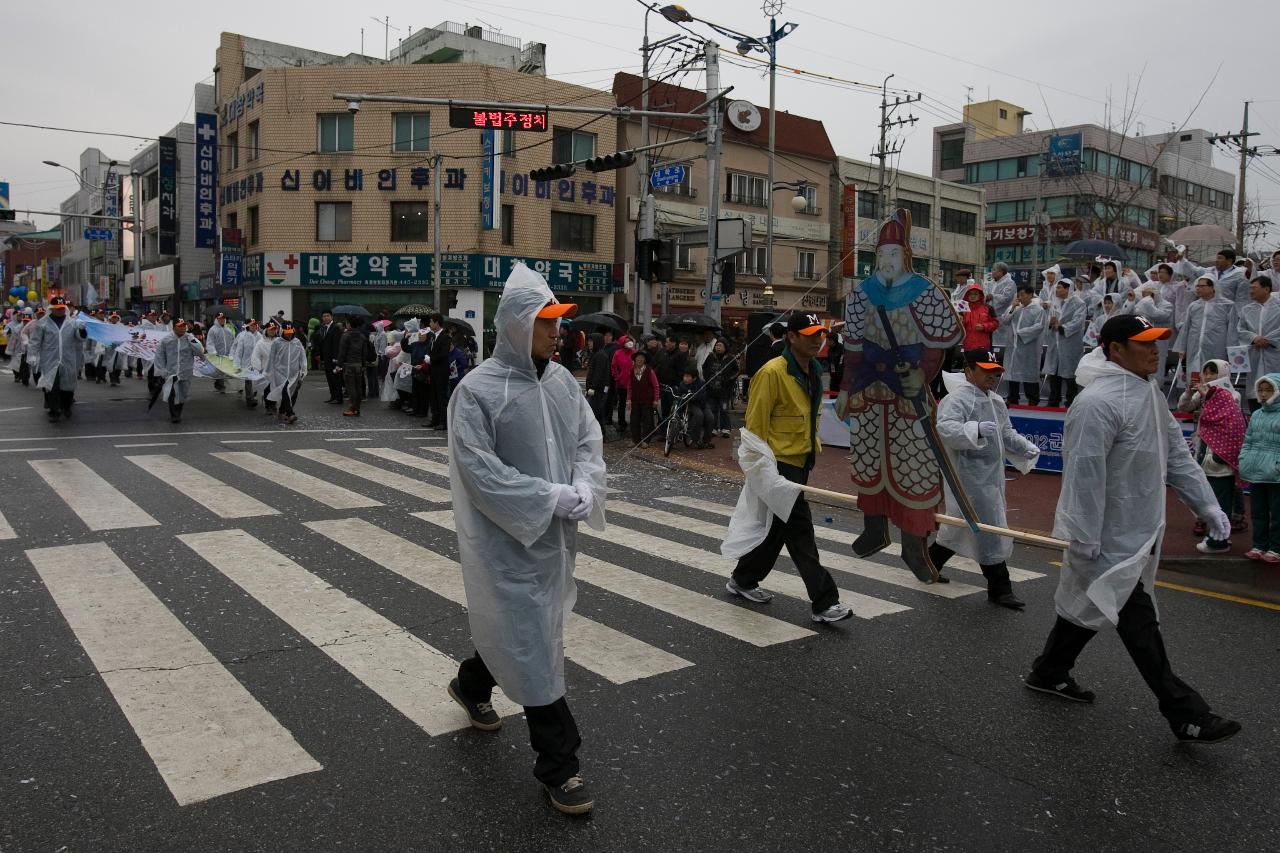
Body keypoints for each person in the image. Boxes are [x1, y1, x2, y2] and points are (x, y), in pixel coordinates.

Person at [1025, 313, 1240, 744]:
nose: (1155, 349)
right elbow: (1083, 476)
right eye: (1144, 342)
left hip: (1140, 530)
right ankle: (1185, 712)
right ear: (1115, 348)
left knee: (1090, 605)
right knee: (1137, 621)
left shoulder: (1148, 394)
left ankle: (1048, 671)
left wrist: (1209, 506)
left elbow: (1177, 456)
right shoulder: (1096, 403)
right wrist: (1083, 534)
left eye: (1157, 341)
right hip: (1107, 537)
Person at [445, 263, 605, 816]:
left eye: (557, 323)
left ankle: (472, 683)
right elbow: (478, 470)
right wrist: (546, 497)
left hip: (555, 539)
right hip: (506, 541)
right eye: (544, 323)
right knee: (533, 639)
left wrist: (585, 482)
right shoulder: (477, 392)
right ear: (516, 324)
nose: (555, 333)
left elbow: (588, 439)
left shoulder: (561, 383)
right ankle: (560, 765)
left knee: (525, 628)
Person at [836, 208, 963, 581]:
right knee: (867, 462)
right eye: (881, 254)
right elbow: (854, 348)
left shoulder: (924, 291)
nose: (887, 261)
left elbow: (937, 345)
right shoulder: (861, 294)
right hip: (868, 391)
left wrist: (923, 373)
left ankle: (913, 546)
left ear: (905, 255)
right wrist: (845, 389)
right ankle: (874, 529)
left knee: (916, 469)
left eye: (893, 253)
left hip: (908, 392)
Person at [724, 311, 853, 623]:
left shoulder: (814, 369)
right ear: (791, 337)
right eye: (809, 335)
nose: (817, 340)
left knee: (777, 530)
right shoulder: (772, 372)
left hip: (800, 461)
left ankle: (743, 579)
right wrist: (762, 473)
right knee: (800, 531)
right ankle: (824, 601)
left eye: (820, 335)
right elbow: (754, 430)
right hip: (778, 466)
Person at [931, 348, 1040, 608]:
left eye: (996, 371)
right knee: (988, 529)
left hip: (990, 476)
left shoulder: (995, 401)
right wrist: (974, 430)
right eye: (987, 370)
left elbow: (1005, 432)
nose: (993, 376)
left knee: (959, 524)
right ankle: (1000, 588)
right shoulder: (956, 400)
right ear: (969, 371)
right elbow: (945, 429)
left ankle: (929, 564)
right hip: (968, 476)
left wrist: (1025, 447)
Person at [1177, 359, 1245, 553]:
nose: (1208, 377)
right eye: (1206, 373)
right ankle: (1211, 529)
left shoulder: (1233, 394)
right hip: (1204, 447)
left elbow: (1224, 413)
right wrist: (1190, 392)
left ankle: (1220, 537)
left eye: (1212, 373)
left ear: (1223, 373)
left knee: (1222, 495)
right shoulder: (1204, 393)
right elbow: (1184, 407)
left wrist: (1208, 394)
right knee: (1205, 491)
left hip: (1222, 453)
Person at [1238, 373, 1280, 562]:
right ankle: (1259, 545)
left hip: (1276, 472)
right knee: (1258, 512)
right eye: (1261, 390)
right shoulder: (1256, 414)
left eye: (1268, 390)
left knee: (1277, 513)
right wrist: (1244, 458)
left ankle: (1276, 548)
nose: (1263, 394)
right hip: (1256, 471)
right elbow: (1248, 441)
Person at [27, 296, 87, 422]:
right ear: (51, 309)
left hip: (68, 358)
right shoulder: (43, 323)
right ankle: (54, 411)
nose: (60, 311)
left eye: (62, 308)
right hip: (50, 359)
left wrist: (82, 330)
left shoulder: (71, 322)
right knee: (52, 386)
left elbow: (80, 338)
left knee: (68, 386)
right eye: (57, 308)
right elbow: (35, 341)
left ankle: (66, 406)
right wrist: (32, 355)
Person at [1173, 275, 1236, 382]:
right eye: (1197, 286)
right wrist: (1182, 348)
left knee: (1215, 375)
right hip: (1194, 348)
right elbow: (1186, 329)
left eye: (1202, 286)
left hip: (1217, 348)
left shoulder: (1227, 305)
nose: (1198, 288)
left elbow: (1232, 330)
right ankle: (1193, 397)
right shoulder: (1194, 306)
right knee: (1194, 377)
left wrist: (1232, 351)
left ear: (1213, 287)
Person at [1237, 276, 1280, 411]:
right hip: (1254, 353)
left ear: (1266, 289)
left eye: (1254, 288)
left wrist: (1269, 340)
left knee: (1275, 386)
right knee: (1254, 389)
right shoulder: (1247, 309)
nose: (1251, 291)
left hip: (1274, 353)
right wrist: (1255, 338)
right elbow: (1241, 329)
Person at [1042, 279, 1087, 407]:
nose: (1057, 290)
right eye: (1057, 288)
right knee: (1054, 373)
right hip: (1055, 343)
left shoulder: (1079, 303)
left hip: (1069, 343)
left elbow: (1078, 322)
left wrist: (1061, 327)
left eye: (1060, 287)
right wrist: (1050, 323)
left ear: (1068, 289)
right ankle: (1053, 400)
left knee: (1070, 374)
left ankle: (1071, 401)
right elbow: (1048, 320)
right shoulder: (1055, 303)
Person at [152, 319, 205, 424]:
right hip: (171, 372)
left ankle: (178, 411)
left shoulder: (190, 338)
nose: (182, 329)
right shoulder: (166, 340)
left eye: (183, 326)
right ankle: (174, 415)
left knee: (182, 394)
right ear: (174, 327)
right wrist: (161, 370)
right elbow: (159, 356)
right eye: (179, 326)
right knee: (172, 393)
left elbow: (200, 351)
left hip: (185, 372)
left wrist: (192, 340)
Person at [1002, 286, 1045, 406]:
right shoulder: (1016, 308)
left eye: (1022, 294)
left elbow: (1039, 327)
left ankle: (1032, 399)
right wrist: (1013, 307)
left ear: (1030, 294)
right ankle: (1013, 398)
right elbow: (1005, 320)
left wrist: (1021, 333)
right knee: (1012, 372)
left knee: (1029, 373)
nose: (1020, 297)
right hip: (1013, 347)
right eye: (1018, 295)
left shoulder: (1038, 310)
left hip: (1028, 347)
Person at [265, 324, 307, 425]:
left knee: (292, 393)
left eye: (290, 333)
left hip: (294, 373)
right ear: (282, 331)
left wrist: (303, 371)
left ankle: (282, 411)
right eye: (286, 333)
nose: (289, 335)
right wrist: (268, 372)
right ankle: (290, 413)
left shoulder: (297, 343)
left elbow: (302, 358)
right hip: (280, 373)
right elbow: (271, 358)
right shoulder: (277, 342)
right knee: (285, 390)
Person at [701, 338, 738, 438]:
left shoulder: (730, 358)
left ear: (725, 347)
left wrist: (729, 379)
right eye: (717, 345)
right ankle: (713, 428)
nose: (718, 347)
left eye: (720, 346)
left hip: (725, 390)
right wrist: (707, 377)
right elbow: (704, 367)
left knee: (724, 409)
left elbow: (736, 371)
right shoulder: (710, 356)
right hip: (712, 389)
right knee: (712, 409)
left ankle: (725, 429)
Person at [338, 316, 373, 417]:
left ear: (349, 324)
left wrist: (339, 364)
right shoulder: (362, 336)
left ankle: (353, 408)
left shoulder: (346, 335)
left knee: (351, 388)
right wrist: (363, 364)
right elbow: (364, 352)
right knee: (358, 387)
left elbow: (342, 352)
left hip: (349, 364)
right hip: (359, 365)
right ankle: (357, 408)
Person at [672, 367, 713, 449]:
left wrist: (694, 396)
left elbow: (703, 395)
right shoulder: (682, 385)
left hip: (702, 404)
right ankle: (695, 438)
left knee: (710, 417)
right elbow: (679, 398)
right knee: (699, 415)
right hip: (690, 404)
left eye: (688, 377)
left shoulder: (701, 383)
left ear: (694, 378)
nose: (685, 379)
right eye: (685, 376)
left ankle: (706, 440)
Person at [628, 350, 659, 447]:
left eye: (642, 358)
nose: (639, 359)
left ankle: (646, 441)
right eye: (638, 357)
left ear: (645, 360)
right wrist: (628, 399)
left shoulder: (650, 371)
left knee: (647, 421)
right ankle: (635, 440)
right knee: (634, 420)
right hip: (635, 400)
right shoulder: (631, 370)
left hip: (647, 400)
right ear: (635, 359)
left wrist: (656, 399)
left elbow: (656, 386)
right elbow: (629, 387)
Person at [957, 281, 998, 351]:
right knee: (969, 362)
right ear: (967, 295)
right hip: (967, 346)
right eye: (970, 294)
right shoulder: (963, 309)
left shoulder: (988, 308)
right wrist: (960, 321)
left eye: (975, 294)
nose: (972, 296)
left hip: (983, 346)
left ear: (980, 295)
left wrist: (984, 326)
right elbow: (959, 328)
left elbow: (995, 323)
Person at [986, 262, 1017, 355]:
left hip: (1002, 317)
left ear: (1001, 272)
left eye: (994, 270)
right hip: (989, 316)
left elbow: (1007, 299)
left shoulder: (1010, 283)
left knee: (1002, 341)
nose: (992, 272)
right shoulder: (990, 283)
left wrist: (993, 296)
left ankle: (1001, 359)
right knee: (990, 340)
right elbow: (985, 295)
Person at [427, 313, 452, 430]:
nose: (430, 324)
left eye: (431, 322)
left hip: (441, 371)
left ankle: (443, 421)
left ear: (437, 322)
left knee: (441, 396)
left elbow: (444, 354)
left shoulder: (445, 337)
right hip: (433, 370)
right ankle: (434, 419)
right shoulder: (432, 336)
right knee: (433, 396)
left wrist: (431, 359)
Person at [231, 319, 262, 408]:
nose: (254, 326)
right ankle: (250, 400)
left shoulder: (259, 336)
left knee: (256, 382)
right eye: (252, 325)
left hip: (256, 364)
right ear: (248, 326)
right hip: (246, 364)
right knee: (248, 382)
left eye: (255, 325)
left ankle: (253, 396)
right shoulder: (243, 336)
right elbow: (239, 351)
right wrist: (237, 364)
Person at [314, 311, 344, 404]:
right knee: (329, 377)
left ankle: (338, 397)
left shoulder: (335, 328)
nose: (325, 318)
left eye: (327, 316)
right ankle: (333, 396)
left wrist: (336, 358)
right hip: (326, 358)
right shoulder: (322, 328)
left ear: (332, 317)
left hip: (333, 358)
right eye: (324, 316)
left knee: (336, 378)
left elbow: (337, 344)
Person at [584, 333, 611, 427]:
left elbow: (598, 374)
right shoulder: (596, 354)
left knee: (596, 412)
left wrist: (592, 388)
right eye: (588, 341)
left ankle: (601, 435)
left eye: (591, 341)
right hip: (597, 389)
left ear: (597, 342)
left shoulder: (600, 355)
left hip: (598, 390)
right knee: (597, 413)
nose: (589, 343)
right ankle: (600, 434)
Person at [252, 320, 278, 415]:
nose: (272, 332)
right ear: (266, 330)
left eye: (274, 330)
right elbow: (256, 356)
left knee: (275, 389)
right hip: (265, 370)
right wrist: (258, 368)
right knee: (267, 388)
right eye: (270, 330)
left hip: (276, 370)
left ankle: (273, 404)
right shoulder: (261, 343)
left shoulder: (278, 342)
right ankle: (268, 406)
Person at [609, 336, 635, 431]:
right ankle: (621, 421)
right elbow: (613, 366)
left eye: (630, 341)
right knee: (622, 403)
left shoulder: (634, 352)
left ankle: (634, 422)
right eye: (627, 341)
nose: (629, 343)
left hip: (633, 383)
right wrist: (617, 377)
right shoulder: (618, 353)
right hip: (622, 383)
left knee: (634, 403)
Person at [205, 312, 234, 393]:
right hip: (217, 354)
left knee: (224, 370)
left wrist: (232, 352)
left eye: (223, 318)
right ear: (216, 319)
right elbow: (210, 342)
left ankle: (219, 383)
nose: (222, 320)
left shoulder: (228, 329)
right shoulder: (213, 330)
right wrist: (213, 352)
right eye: (220, 319)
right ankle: (221, 385)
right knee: (219, 370)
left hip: (227, 354)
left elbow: (232, 341)